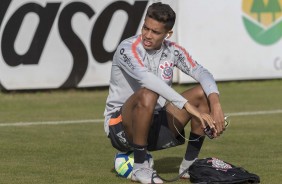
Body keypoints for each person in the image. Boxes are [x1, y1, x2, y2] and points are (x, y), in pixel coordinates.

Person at [104, 2, 225, 183]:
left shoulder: (173, 51)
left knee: (202, 94)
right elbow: (147, 81)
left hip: (154, 122)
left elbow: (202, 73)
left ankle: (188, 166)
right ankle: (139, 169)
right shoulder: (127, 49)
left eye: (155, 32)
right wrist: (189, 108)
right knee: (149, 92)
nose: (147, 35)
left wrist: (216, 106)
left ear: (168, 34)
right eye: (146, 28)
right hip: (120, 127)